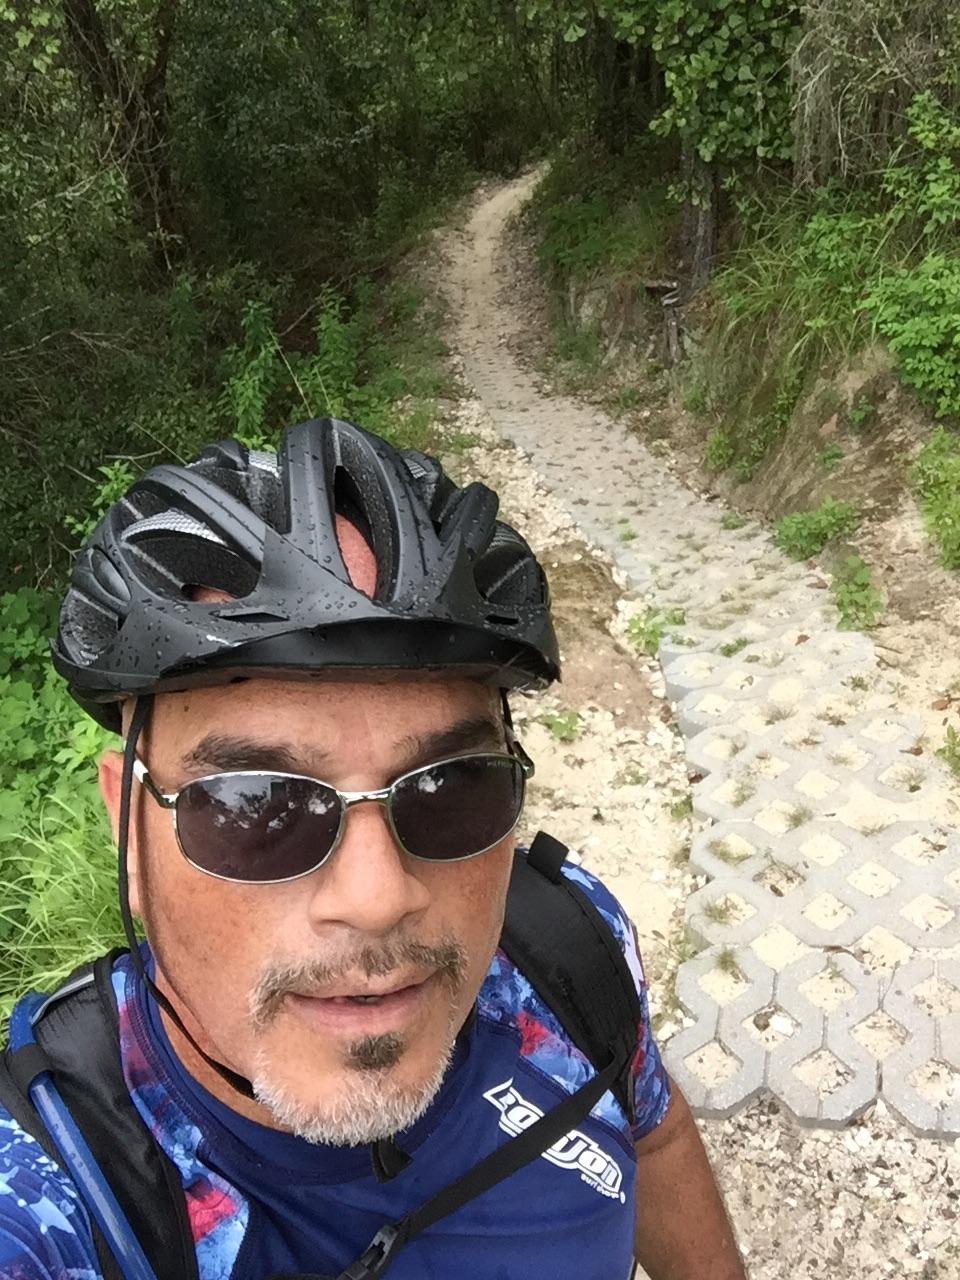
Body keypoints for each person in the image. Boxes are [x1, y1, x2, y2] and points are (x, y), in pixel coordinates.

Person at [0, 418, 745, 1280]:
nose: (377, 894)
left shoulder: (569, 954)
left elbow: (650, 1130)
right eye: (259, 805)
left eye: (451, 787)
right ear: (130, 828)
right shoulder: (54, 1195)